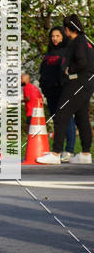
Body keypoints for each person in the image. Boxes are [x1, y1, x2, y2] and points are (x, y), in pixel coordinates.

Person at [37, 14, 94, 165]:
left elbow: (82, 62)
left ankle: (56, 153)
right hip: (87, 84)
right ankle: (85, 153)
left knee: (61, 114)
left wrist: (70, 70)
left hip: (77, 83)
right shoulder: (86, 41)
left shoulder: (77, 42)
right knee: (81, 117)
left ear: (68, 29)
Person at [39, 27, 76, 161]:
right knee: (56, 120)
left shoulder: (68, 51)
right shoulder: (49, 53)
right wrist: (43, 86)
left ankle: (69, 150)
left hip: (63, 90)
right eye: (52, 36)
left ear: (63, 37)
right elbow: (43, 72)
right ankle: (57, 150)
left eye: (58, 36)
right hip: (50, 92)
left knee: (66, 119)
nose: (54, 38)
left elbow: (72, 71)